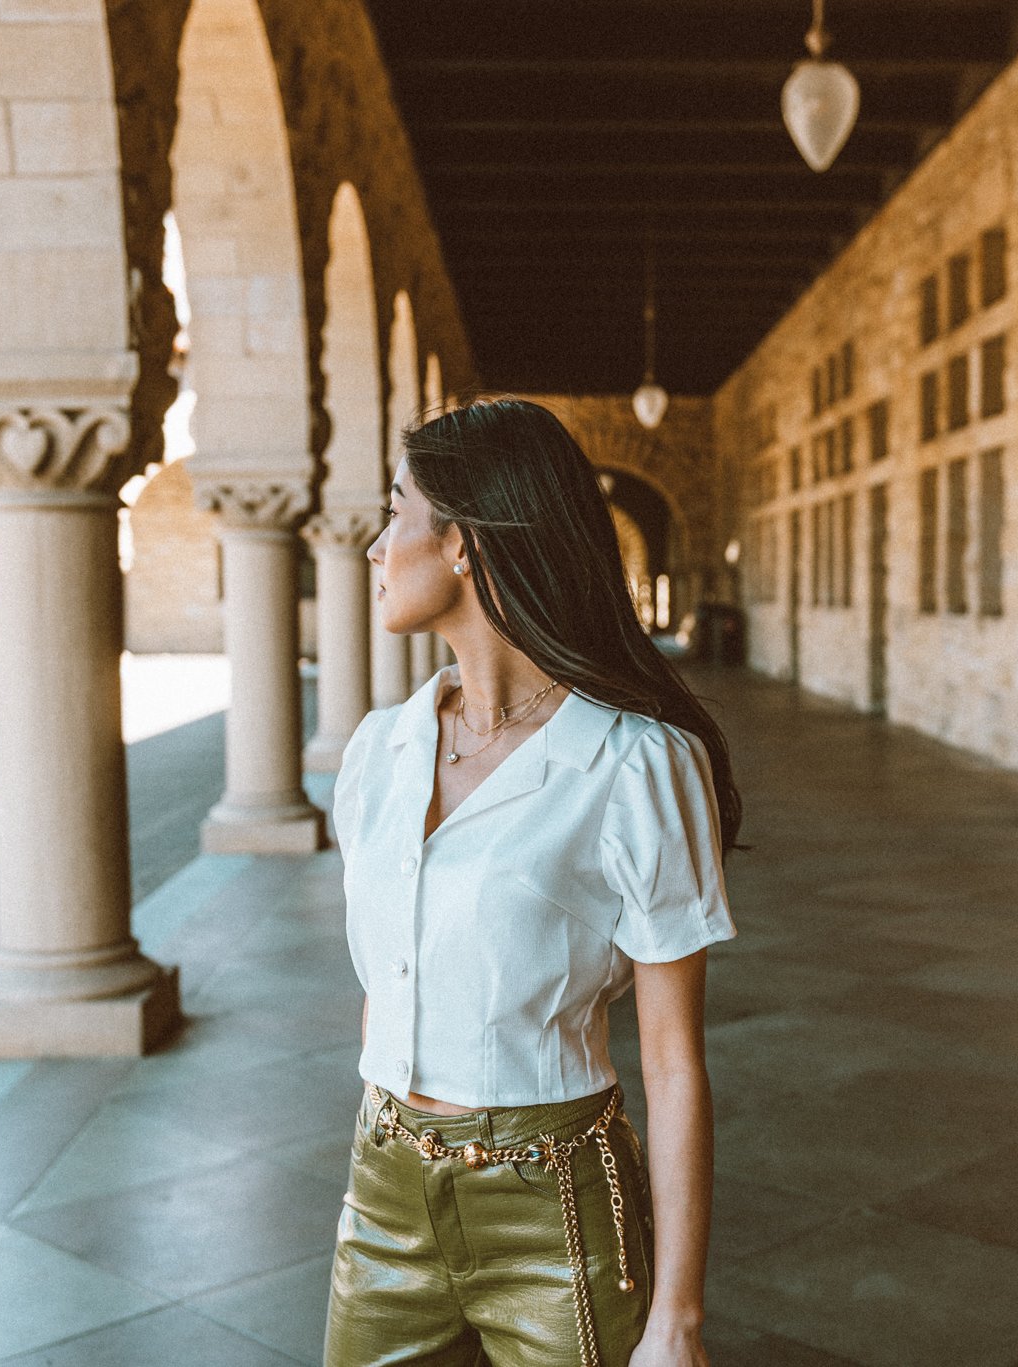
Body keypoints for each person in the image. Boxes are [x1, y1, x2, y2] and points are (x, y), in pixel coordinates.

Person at [326, 398, 741, 1367]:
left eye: (397, 513)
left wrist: (676, 1316)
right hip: (383, 1184)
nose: (375, 547)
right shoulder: (375, 754)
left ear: (463, 542)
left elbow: (674, 1061)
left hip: (552, 1201)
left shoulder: (635, 764)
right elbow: (386, 982)